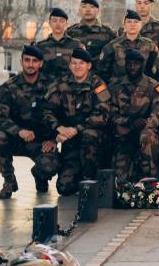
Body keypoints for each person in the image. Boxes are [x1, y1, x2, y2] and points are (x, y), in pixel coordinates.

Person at [0, 45, 59, 199]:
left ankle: (39, 175)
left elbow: (60, 114)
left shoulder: (52, 86)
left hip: (42, 142)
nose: (30, 64)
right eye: (27, 60)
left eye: (35, 61)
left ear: (40, 63)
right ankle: (9, 181)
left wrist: (54, 139)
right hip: (16, 139)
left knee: (50, 166)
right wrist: (19, 131)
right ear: (21, 62)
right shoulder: (8, 87)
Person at [43, 48, 110, 196]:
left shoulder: (98, 84)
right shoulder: (61, 84)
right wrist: (59, 129)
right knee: (64, 188)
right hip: (71, 142)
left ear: (89, 66)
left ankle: (90, 180)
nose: (77, 66)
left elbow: (103, 114)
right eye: (74, 63)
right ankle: (77, 174)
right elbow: (47, 111)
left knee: (89, 134)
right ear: (70, 66)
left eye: (81, 63)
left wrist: (75, 129)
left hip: (93, 143)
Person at [108, 49, 159, 183]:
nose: (132, 67)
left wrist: (145, 123)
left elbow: (158, 112)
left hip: (146, 134)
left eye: (136, 64)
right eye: (129, 64)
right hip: (124, 135)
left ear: (143, 65)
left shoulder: (153, 86)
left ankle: (152, 180)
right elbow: (110, 113)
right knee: (121, 182)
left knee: (147, 135)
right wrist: (129, 122)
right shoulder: (115, 87)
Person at [98, 10, 158, 82]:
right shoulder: (112, 46)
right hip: (118, 89)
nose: (132, 25)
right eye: (129, 22)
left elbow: (156, 69)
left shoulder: (150, 45)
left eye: (136, 22)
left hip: (142, 89)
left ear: (141, 25)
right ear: (124, 25)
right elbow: (102, 72)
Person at [66, 0, 116, 75]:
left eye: (92, 7)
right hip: (75, 82)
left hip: (101, 80)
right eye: (84, 7)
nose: (88, 10)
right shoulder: (70, 33)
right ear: (79, 10)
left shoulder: (108, 34)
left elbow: (114, 60)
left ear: (98, 10)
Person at [34, 7, 84, 82]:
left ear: (66, 24)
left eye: (61, 21)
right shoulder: (40, 47)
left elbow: (83, 70)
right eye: (54, 21)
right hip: (46, 89)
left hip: (70, 89)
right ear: (50, 23)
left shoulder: (76, 45)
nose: (58, 24)